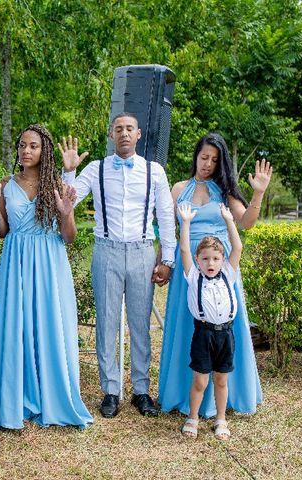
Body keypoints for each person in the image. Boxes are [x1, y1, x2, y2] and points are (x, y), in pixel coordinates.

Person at [61, 113, 176, 418]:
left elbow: (165, 215)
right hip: (107, 251)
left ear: (138, 134)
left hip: (142, 251)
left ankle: (141, 391)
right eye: (118, 129)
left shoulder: (155, 172)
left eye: (129, 129)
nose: (124, 133)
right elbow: (67, 201)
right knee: (107, 322)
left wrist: (168, 259)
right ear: (111, 135)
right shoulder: (96, 169)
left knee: (140, 325)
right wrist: (69, 172)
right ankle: (110, 391)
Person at [0, 124, 94, 429]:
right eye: (21, 145)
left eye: (33, 146)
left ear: (44, 151)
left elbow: (69, 237)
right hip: (16, 259)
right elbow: (3, 232)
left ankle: (52, 396)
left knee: (49, 323)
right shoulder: (6, 184)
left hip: (49, 261)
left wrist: (67, 211)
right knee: (16, 325)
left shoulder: (56, 184)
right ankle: (16, 396)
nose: (26, 151)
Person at [158, 133, 270, 417]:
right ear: (196, 155)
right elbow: (168, 232)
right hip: (188, 271)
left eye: (214, 160)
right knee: (187, 330)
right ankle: (185, 395)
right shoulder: (179, 188)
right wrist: (163, 262)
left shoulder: (225, 190)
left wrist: (258, 193)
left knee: (223, 329)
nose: (207, 164)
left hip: (221, 271)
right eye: (204, 157)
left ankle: (226, 397)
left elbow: (246, 223)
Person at [177, 203, 242, 440]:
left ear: (222, 259)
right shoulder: (194, 276)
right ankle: (192, 418)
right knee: (200, 380)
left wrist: (228, 219)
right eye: (205, 259)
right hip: (203, 334)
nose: (211, 263)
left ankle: (221, 419)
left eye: (215, 258)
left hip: (226, 334)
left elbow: (238, 246)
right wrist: (185, 222)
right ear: (198, 259)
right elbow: (184, 250)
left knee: (221, 380)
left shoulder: (229, 273)